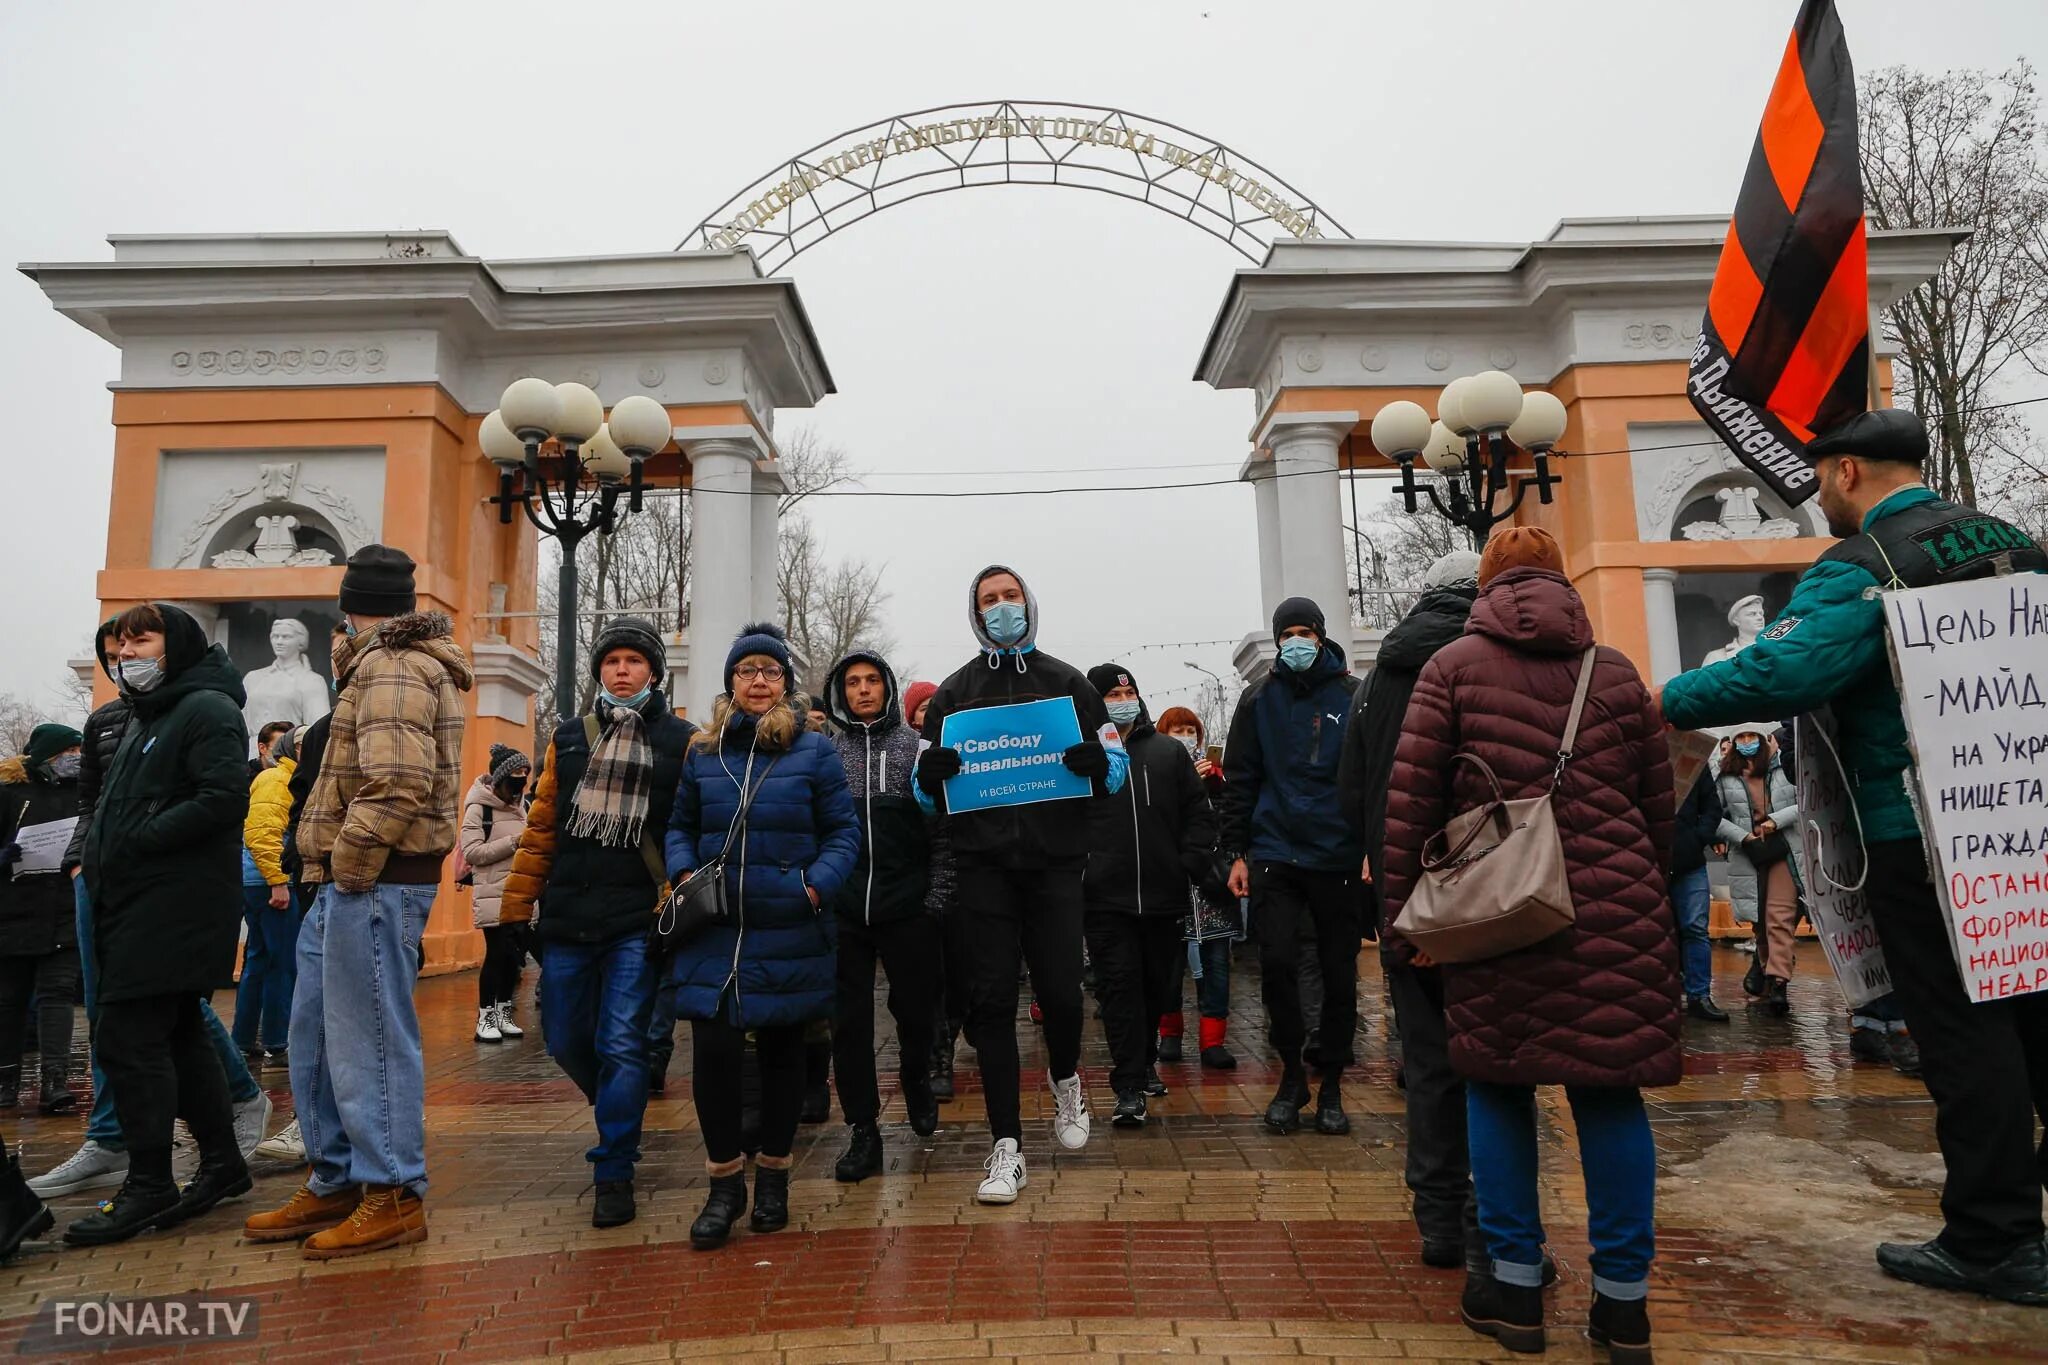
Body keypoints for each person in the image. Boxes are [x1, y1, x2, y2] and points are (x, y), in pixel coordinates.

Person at [1659, 407, 2048, 1305]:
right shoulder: (2016, 540)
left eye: (1818, 480)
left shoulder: (1865, 564)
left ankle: (1995, 1237)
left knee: (1962, 1028)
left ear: (1844, 474)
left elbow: (1781, 673)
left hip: (1923, 832)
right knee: (2032, 1007)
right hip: (2022, 818)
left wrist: (1663, 697)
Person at [1382, 527, 1676, 1359]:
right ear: (1561, 582)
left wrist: (1407, 929)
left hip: (1496, 915)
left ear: (1486, 586)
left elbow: (1410, 807)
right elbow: (1661, 813)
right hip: (1618, 916)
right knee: (1612, 1097)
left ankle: (1514, 1294)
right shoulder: (1615, 671)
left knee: (1498, 1089)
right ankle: (1624, 1309)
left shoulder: (1450, 668)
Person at [244, 545, 471, 1259]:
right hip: (350, 882)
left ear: (349, 606)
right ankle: (338, 1176)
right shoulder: (373, 663)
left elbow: (397, 781)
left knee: (368, 1039)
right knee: (314, 1038)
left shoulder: (393, 664)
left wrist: (348, 866)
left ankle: (393, 1191)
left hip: (374, 881)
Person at [32, 620, 272, 1199]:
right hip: (107, 878)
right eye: (115, 650)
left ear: (175, 649)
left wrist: (135, 840)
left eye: (138, 644)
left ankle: (147, 1160)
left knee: (142, 1020)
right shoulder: (116, 717)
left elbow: (216, 799)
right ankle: (184, 1158)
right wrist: (84, 859)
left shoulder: (200, 711)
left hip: (165, 889)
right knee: (126, 1014)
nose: (124, 657)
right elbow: (93, 799)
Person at [914, 566, 1127, 1205]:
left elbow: (1114, 766)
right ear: (975, 614)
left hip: (1056, 865)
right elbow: (926, 796)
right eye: (989, 601)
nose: (1001, 608)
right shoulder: (956, 692)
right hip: (982, 869)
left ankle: (1067, 1077)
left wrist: (1100, 764)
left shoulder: (1069, 684)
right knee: (990, 1006)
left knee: (1062, 995)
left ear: (1028, 604)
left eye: (1010, 597)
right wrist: (932, 775)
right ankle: (1006, 1146)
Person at [667, 622, 859, 1248]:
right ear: (730, 681)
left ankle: (774, 1177)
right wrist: (683, 872)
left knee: (782, 1055)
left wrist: (815, 884)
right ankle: (724, 1184)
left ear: (785, 684)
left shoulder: (814, 750)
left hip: (788, 925)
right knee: (715, 1055)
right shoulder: (703, 751)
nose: (758, 681)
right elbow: (678, 825)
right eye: (747, 670)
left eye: (770, 672)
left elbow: (843, 833)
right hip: (715, 927)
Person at [502, 618, 691, 1229]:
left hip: (637, 916)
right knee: (562, 1038)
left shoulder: (682, 739)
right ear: (599, 671)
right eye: (612, 662)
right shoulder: (568, 737)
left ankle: (614, 1165)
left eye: (635, 661)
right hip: (568, 914)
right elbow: (541, 829)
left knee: (622, 1043)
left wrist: (676, 891)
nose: (622, 670)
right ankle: (620, 1100)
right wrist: (515, 907)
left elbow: (686, 826)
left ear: (653, 672)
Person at [1335, 548, 1484, 1267]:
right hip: (1491, 897)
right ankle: (1495, 1218)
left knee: (1426, 1060)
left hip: (1403, 894)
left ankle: (1438, 1221)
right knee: (1492, 1057)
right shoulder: (1488, 660)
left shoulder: (1373, 682)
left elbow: (1349, 789)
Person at [1219, 595, 1364, 1137]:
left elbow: (1369, 773)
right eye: (1287, 634)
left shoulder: (1353, 695)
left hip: (1338, 853)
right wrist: (1236, 851)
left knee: (1337, 972)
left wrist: (1370, 843)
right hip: (1276, 851)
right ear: (1276, 640)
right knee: (1276, 962)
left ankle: (1330, 1085)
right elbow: (1241, 777)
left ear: (1322, 636)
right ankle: (1291, 1076)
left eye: (1305, 632)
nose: (1295, 642)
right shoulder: (1258, 700)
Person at [822, 649, 942, 1181]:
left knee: (916, 1011)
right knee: (847, 1025)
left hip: (906, 906)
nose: (864, 690)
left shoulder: (916, 750)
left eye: (872, 680)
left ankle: (916, 1075)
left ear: (887, 688)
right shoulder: (825, 754)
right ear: (840, 691)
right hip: (843, 910)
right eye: (853, 682)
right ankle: (863, 1129)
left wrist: (934, 899)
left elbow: (942, 835)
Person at [1081, 665, 1215, 1127]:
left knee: (1158, 987)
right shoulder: (1085, 757)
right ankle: (1129, 1084)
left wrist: (1190, 862)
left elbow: (1198, 812)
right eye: (1113, 693)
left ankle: (1144, 1059)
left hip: (1163, 895)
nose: (1124, 697)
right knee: (1119, 989)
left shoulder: (1166, 754)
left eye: (1129, 690)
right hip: (1105, 900)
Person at [0, 724, 84, 1114]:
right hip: (12, 913)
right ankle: (6, 1081)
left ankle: (55, 1082)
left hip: (63, 912)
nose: (75, 757)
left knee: (57, 996)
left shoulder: (80, 794)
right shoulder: (8, 794)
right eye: (66, 750)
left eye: (78, 749)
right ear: (45, 755)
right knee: (9, 1001)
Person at [1152, 705, 1238, 1070]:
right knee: (1169, 966)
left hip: (1211, 883)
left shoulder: (1218, 774)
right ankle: (1169, 1034)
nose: (1185, 736)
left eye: (1190, 730)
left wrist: (1213, 787)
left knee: (1217, 963)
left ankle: (1212, 1041)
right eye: (1177, 730)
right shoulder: (1155, 770)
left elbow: (1231, 820)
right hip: (1171, 882)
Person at [1714, 728, 1802, 1017]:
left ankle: (1779, 983)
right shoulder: (1725, 775)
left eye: (1754, 737)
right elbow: (1714, 815)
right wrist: (1741, 836)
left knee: (1780, 914)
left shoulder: (1783, 768)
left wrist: (1775, 821)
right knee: (1758, 919)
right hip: (1746, 853)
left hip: (1783, 848)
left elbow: (1804, 802)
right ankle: (1766, 977)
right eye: (1742, 738)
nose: (1748, 743)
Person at [234, 725, 303, 1069]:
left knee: (259, 961)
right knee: (280, 963)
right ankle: (278, 1040)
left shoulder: (278, 777)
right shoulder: (279, 779)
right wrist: (278, 881)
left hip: (258, 880)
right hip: (271, 883)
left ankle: (244, 1040)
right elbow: (262, 833)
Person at [462, 743, 532, 1044]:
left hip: (521, 891)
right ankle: (485, 1015)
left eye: (525, 773)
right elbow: (473, 852)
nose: (522, 778)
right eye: (516, 773)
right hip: (493, 893)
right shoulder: (479, 807)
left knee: (514, 957)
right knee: (497, 953)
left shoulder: (523, 807)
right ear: (502, 775)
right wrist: (514, 843)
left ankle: (504, 1010)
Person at [1671, 763, 1728, 1024]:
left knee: (1695, 927)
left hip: (1689, 859)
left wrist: (1699, 837)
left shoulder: (1694, 759)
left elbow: (1712, 806)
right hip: (1647, 858)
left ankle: (1699, 995)